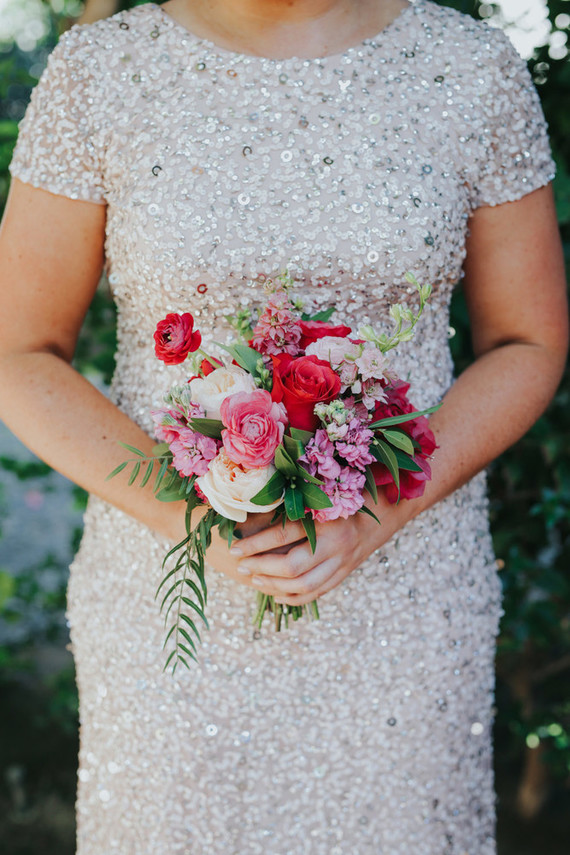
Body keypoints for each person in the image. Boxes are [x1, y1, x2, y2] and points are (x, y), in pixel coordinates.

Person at [0, 0, 567, 852]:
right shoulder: (100, 73)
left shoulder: (471, 69)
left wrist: (378, 509)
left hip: (406, 595)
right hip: (173, 598)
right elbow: (18, 350)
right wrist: (193, 519)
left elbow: (528, 340)